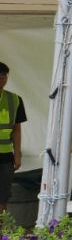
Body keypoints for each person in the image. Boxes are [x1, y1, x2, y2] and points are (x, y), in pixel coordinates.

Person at [0, 62, 27, 214]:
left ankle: (1, 227)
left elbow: (16, 129)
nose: (1, 78)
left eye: (4, 75)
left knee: (3, 196)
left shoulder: (15, 99)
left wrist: (17, 154)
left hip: (5, 156)